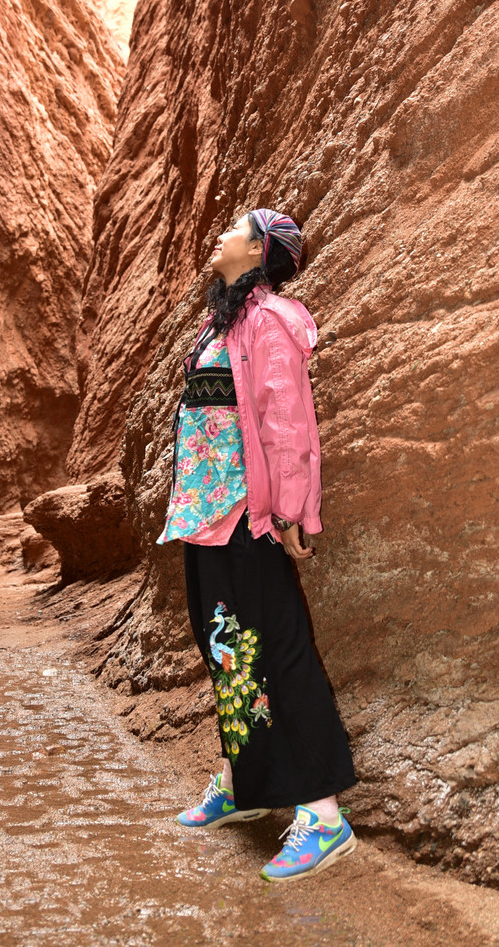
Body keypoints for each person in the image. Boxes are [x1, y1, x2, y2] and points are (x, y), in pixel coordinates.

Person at [156, 208, 357, 883]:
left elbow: (287, 420)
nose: (219, 235)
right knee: (227, 650)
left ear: (257, 250)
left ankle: (323, 816)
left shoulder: (270, 320)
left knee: (278, 650)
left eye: (233, 229)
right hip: (203, 515)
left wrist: (292, 509)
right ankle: (245, 781)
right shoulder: (221, 322)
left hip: (250, 515)